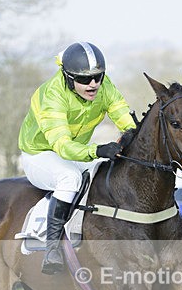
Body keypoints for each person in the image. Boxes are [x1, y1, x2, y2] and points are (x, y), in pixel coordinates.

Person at [19, 42, 136, 274]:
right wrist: (97, 150)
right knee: (69, 178)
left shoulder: (103, 86)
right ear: (68, 77)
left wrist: (133, 133)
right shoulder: (52, 95)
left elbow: (122, 114)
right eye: (84, 80)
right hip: (40, 154)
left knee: (111, 170)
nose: (93, 84)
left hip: (76, 151)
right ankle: (51, 249)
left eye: (98, 77)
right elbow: (62, 146)